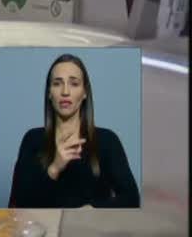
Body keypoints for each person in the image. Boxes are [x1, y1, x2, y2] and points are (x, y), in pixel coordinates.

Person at [8, 54, 140, 208]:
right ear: (49, 93)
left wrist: (93, 210)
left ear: (84, 93)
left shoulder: (107, 140)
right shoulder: (32, 139)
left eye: (74, 84)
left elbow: (131, 199)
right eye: (57, 84)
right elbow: (18, 204)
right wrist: (54, 168)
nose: (65, 91)